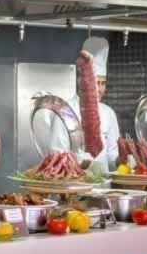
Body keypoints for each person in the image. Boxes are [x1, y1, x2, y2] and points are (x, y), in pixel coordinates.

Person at [49, 36, 120, 172]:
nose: (99, 89)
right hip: (74, 183)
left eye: (103, 83)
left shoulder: (109, 113)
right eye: (96, 83)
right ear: (82, 81)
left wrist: (122, 159)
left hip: (103, 183)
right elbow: (56, 155)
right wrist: (82, 162)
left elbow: (112, 156)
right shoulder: (64, 111)